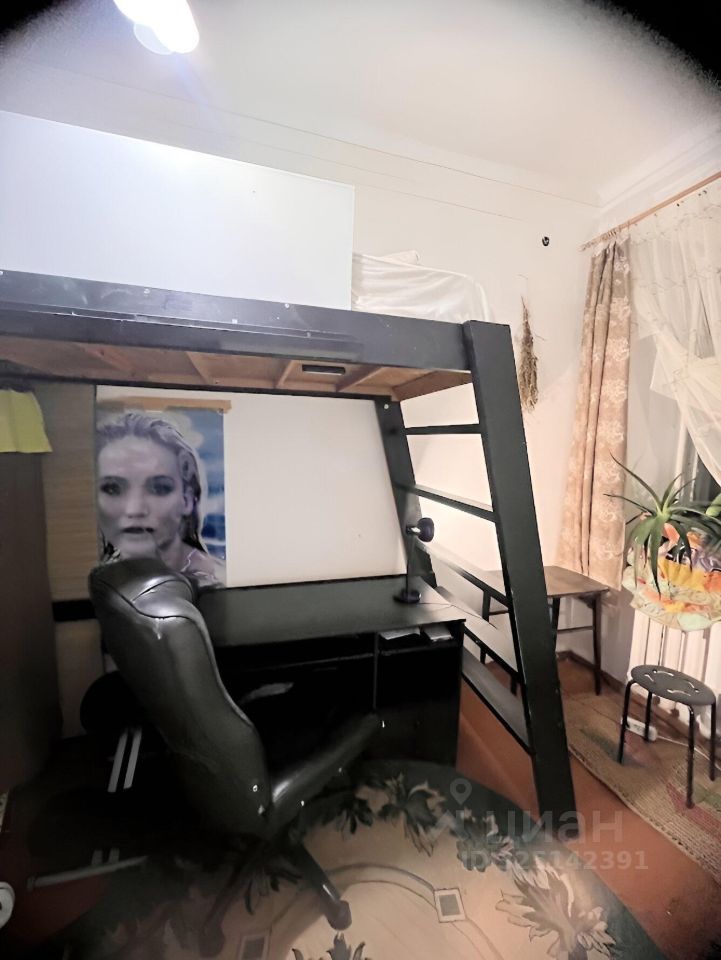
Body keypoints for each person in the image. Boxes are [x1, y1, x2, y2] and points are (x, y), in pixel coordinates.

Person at [96, 411, 224, 589]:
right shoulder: (102, 580)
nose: (135, 509)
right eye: (112, 489)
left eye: (159, 488)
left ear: (187, 500)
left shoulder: (217, 583)